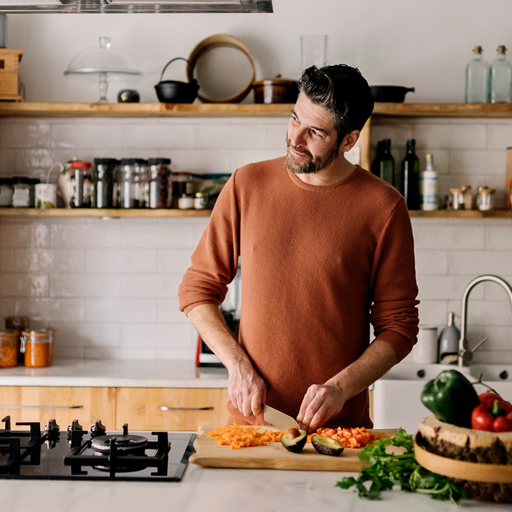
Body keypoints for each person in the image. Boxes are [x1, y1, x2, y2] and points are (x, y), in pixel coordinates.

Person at [178, 64, 419, 430]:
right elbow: (196, 290)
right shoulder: (248, 184)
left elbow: (399, 327)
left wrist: (340, 388)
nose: (295, 138)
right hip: (252, 428)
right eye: (294, 119)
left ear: (349, 141)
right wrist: (238, 366)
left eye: (315, 132)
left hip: (340, 435)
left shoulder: (384, 207)